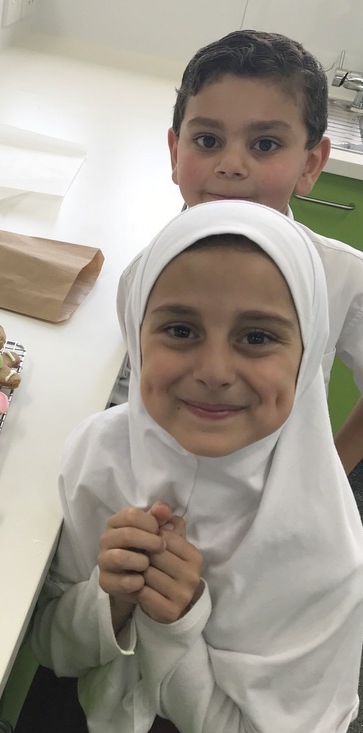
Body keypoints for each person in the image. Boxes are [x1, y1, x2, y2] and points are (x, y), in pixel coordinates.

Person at [0, 201, 363, 733]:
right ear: (137, 334)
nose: (215, 369)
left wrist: (176, 624)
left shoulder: (321, 549)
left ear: (306, 353)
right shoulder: (99, 456)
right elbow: (45, 642)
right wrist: (105, 601)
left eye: (258, 336)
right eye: (181, 330)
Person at [114, 29, 363, 475]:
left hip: (283, 500)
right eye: (208, 141)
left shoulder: (343, 275)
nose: (231, 164)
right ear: (175, 152)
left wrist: (334, 470)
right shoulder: (142, 277)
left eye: (264, 145)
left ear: (310, 165)